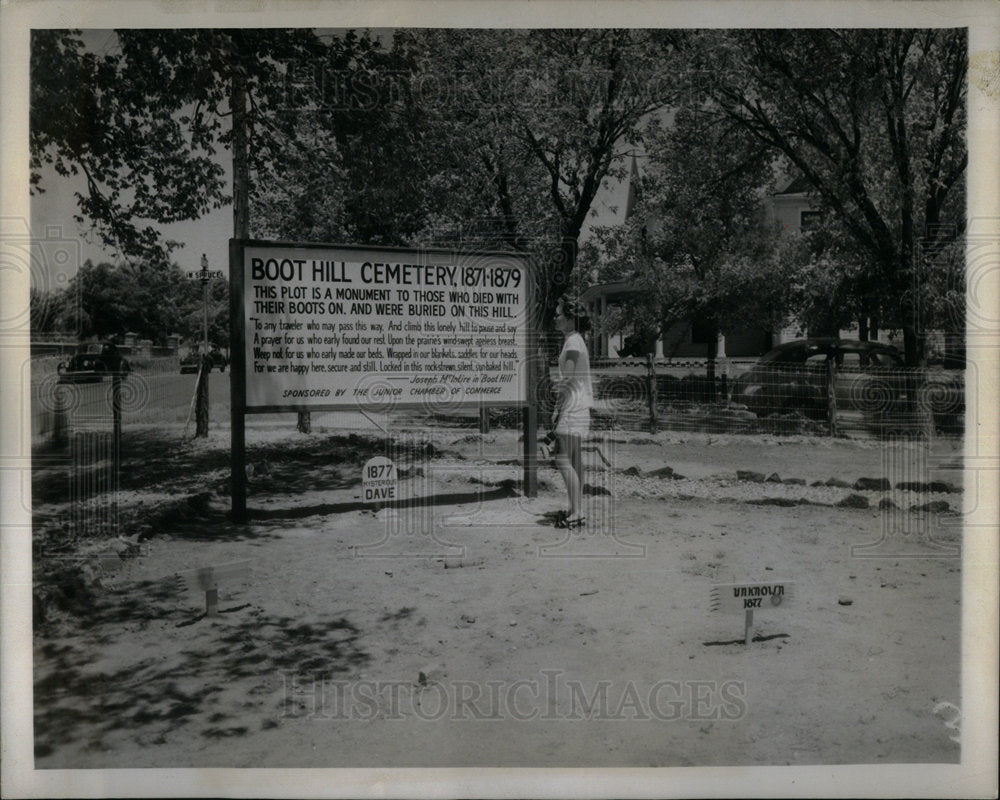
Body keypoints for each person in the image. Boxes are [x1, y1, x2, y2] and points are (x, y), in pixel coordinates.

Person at [550, 295, 592, 528]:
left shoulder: (573, 343)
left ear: (569, 319)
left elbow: (567, 379)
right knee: (574, 460)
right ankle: (576, 509)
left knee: (562, 457)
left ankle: (577, 511)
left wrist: (557, 409)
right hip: (579, 405)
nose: (556, 318)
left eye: (559, 315)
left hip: (572, 407)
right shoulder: (575, 340)